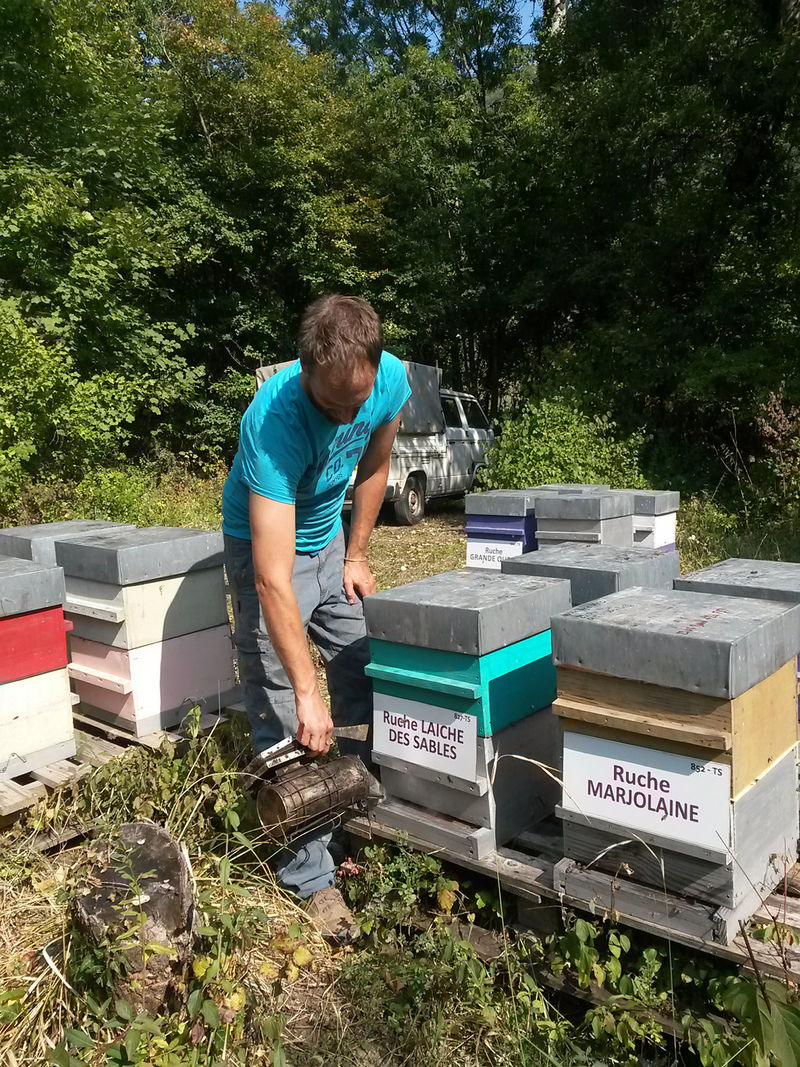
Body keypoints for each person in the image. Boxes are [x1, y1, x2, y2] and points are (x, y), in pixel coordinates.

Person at [221, 294, 410, 942]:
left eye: (357, 404)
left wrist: (356, 553)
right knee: (280, 704)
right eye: (333, 407)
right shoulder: (271, 423)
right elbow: (274, 579)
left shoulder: (389, 380)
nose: (347, 417)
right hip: (268, 549)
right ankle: (309, 877)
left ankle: (349, 807)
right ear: (304, 374)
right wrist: (307, 689)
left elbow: (377, 463)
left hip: (330, 540)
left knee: (363, 669)